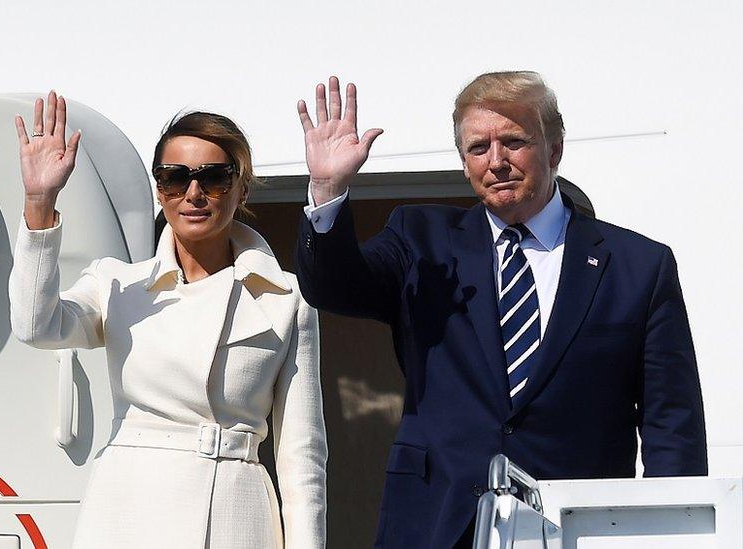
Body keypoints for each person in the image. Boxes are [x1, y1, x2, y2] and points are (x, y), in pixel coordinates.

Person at [293, 73, 707, 548]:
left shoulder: (639, 266)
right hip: (436, 523)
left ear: (554, 149)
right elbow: (336, 288)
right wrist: (327, 192)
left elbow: (671, 423)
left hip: (575, 528)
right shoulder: (421, 239)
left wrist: (675, 530)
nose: (496, 161)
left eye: (514, 142)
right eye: (477, 148)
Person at [9, 92, 326, 548]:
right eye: (175, 179)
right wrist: (40, 203)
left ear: (242, 188)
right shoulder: (117, 283)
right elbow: (35, 326)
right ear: (160, 191)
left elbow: (303, 456)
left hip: (236, 515)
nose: (193, 194)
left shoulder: (286, 297)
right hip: (129, 511)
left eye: (215, 178)